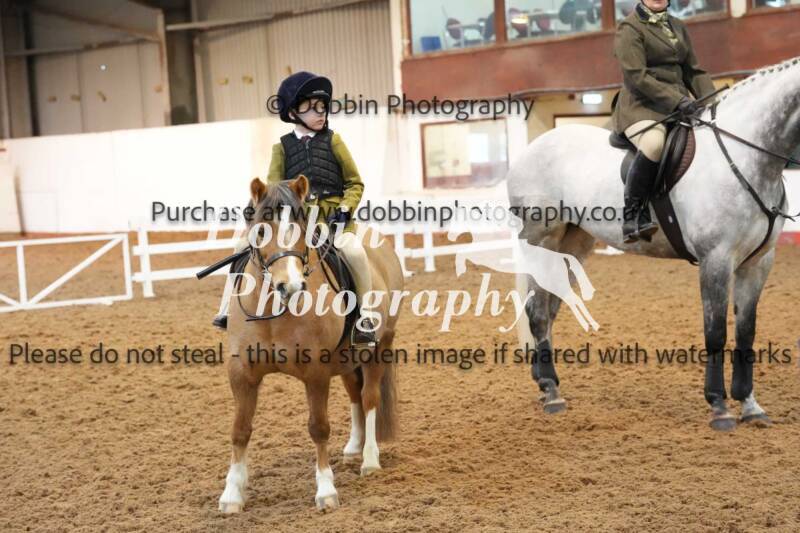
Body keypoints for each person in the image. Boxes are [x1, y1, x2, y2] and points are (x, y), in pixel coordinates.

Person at [212, 71, 379, 347]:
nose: (320, 113)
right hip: (295, 221)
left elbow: (355, 182)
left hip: (332, 219)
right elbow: (272, 189)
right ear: (293, 113)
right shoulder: (282, 148)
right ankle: (227, 308)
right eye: (311, 108)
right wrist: (255, 210)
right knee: (241, 245)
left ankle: (366, 317)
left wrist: (345, 208)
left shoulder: (334, 142)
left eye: (322, 107)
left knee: (354, 252)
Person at [611, 0, 715, 243]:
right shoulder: (629, 28)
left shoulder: (677, 25)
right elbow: (637, 77)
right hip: (642, 106)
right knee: (654, 144)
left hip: (679, 107)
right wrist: (677, 100)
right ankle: (633, 215)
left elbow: (693, 71)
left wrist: (713, 103)